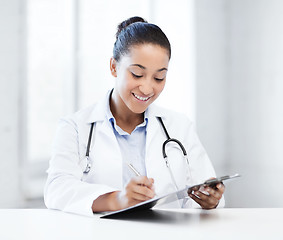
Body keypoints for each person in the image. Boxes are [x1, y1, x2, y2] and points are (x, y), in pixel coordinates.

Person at [44, 16, 225, 217]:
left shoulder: (179, 126)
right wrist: (118, 199)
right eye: (137, 74)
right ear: (114, 66)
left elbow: (204, 188)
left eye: (159, 77)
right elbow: (56, 189)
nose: (147, 88)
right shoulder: (75, 127)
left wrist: (209, 201)